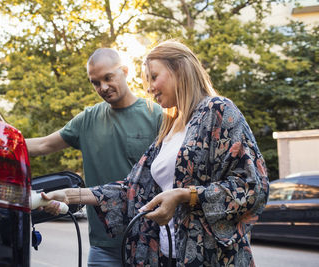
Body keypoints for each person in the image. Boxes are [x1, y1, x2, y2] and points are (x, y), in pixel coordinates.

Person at [42, 40, 269, 266]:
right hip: (166, 256)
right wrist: (69, 195)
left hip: (210, 258)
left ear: (179, 69)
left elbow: (252, 187)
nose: (149, 88)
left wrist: (185, 195)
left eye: (153, 77)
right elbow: (134, 190)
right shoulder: (170, 125)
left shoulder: (218, 111)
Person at [26, 48, 162, 266]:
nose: (103, 88)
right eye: (96, 82)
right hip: (103, 247)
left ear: (125, 71)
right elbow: (43, 144)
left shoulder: (156, 115)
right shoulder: (87, 120)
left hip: (149, 243)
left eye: (108, 78)